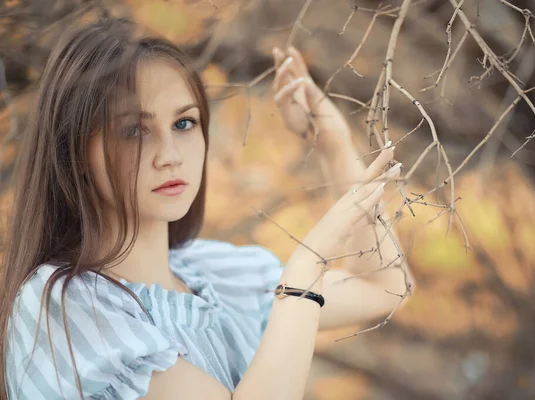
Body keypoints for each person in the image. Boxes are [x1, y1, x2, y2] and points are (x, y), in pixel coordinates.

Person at [0, 17, 411, 400]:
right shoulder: (61, 303)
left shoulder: (221, 276)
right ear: (74, 152)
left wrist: (333, 144)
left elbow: (387, 287)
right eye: (133, 131)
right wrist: (306, 267)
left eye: (184, 124)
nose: (169, 156)